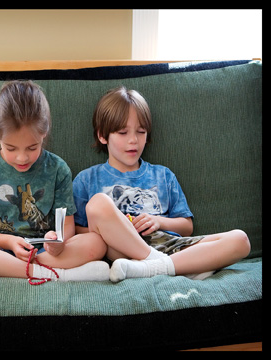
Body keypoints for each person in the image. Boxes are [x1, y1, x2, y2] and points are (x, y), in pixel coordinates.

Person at [72, 86, 251, 282]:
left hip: (172, 247)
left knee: (240, 240)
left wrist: (158, 221)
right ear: (102, 136)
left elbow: (186, 226)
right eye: (123, 132)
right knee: (98, 203)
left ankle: (158, 267)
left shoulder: (163, 175)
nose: (133, 140)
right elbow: (76, 233)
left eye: (141, 132)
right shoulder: (87, 179)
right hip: (122, 250)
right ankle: (175, 266)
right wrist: (114, 226)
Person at [0, 80, 109, 283]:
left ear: (45, 131)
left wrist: (57, 243)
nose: (22, 158)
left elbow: (67, 225)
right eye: (11, 148)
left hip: (44, 251)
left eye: (32, 148)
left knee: (96, 241)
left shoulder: (57, 169)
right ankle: (50, 273)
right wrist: (9, 240)